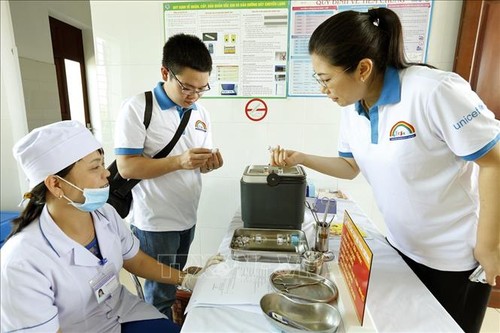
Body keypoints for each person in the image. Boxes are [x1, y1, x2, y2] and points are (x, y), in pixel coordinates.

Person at [270, 8, 499, 333]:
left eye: (326, 79)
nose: (324, 89)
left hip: (454, 259)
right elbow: (350, 168)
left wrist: (488, 246)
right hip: (403, 247)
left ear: (363, 68)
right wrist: (301, 157)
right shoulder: (353, 108)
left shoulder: (433, 91)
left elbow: (493, 161)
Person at [2, 120, 223, 333]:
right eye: (95, 167)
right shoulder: (22, 262)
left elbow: (135, 259)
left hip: (124, 314)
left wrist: (185, 279)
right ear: (56, 184)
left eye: (102, 163)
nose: (107, 173)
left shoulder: (104, 214)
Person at [113, 33, 223, 317]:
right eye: (187, 87)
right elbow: (127, 167)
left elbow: (195, 162)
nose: (193, 95)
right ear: (165, 73)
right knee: (159, 295)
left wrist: (207, 165)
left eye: (202, 88)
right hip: (155, 222)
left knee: (175, 283)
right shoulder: (138, 107)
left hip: (187, 216)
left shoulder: (200, 113)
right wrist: (179, 161)